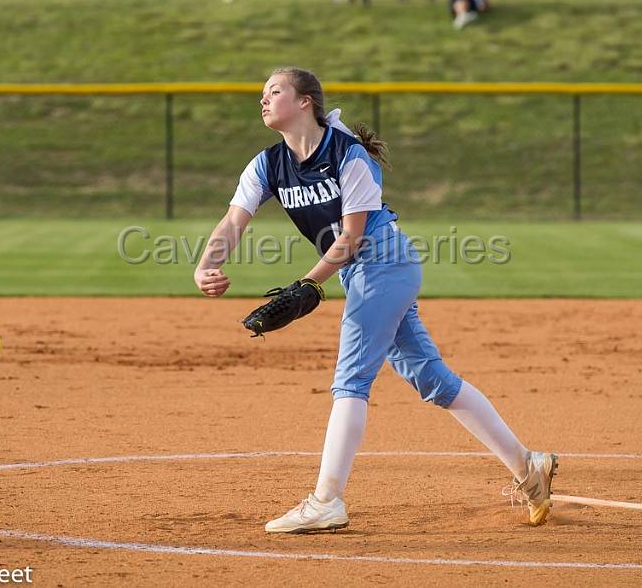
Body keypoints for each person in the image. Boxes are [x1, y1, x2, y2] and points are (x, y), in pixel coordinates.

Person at [193, 67, 558, 533]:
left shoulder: (349, 156)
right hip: (367, 273)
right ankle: (529, 468)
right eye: (262, 92)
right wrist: (206, 263)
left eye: (275, 91)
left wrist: (308, 284)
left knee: (351, 379)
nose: (263, 99)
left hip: (383, 262)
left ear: (305, 101)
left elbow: (353, 235)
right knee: (433, 379)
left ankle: (326, 500)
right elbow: (233, 221)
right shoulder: (267, 164)